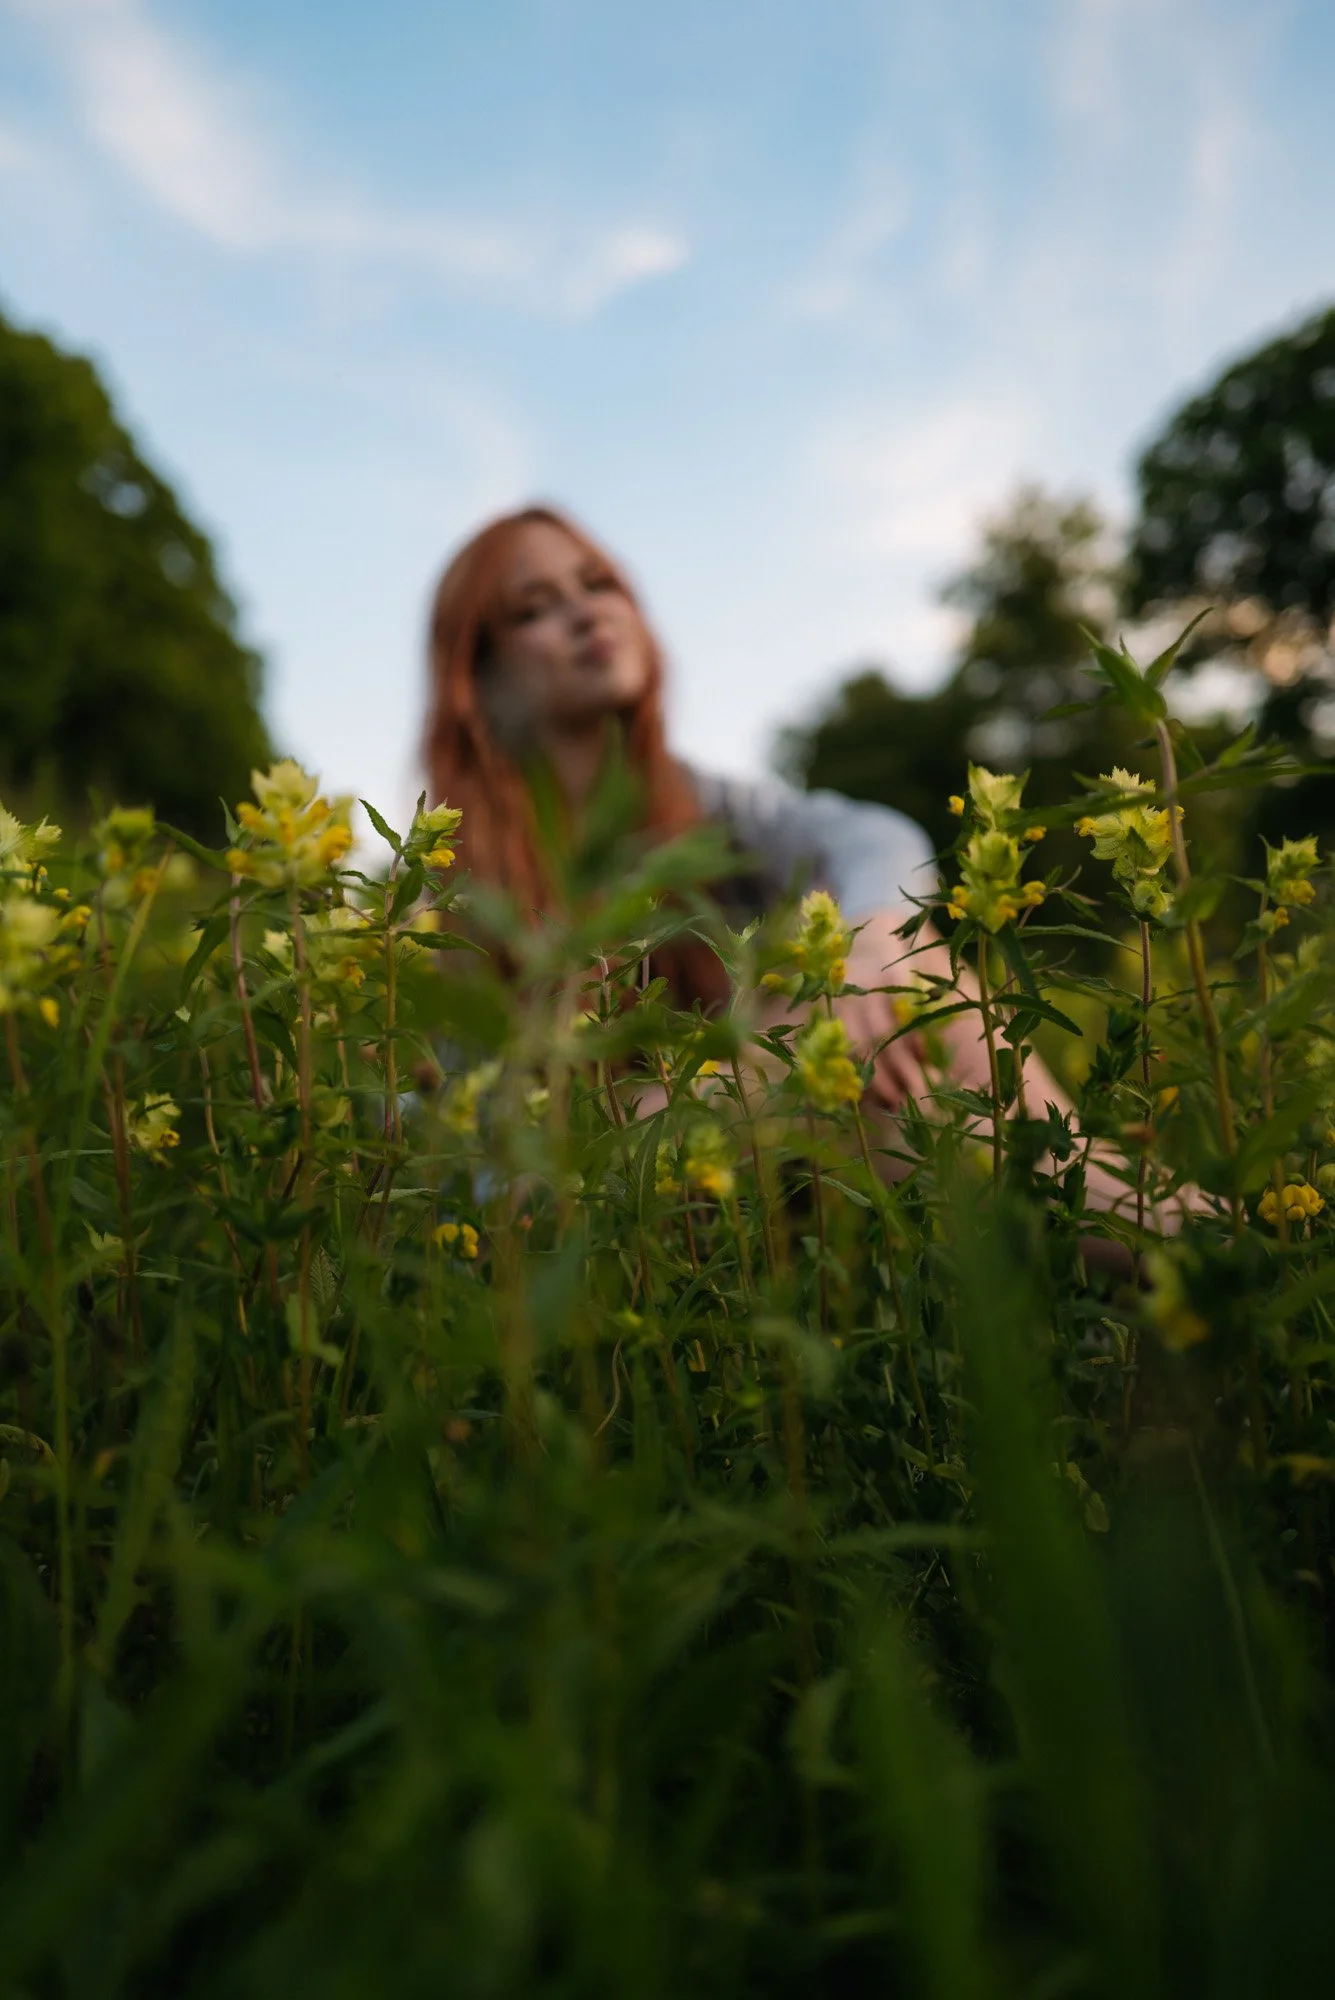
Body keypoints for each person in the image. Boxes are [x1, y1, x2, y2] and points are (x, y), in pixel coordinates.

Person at [421, 503, 1137, 1215]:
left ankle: (1157, 1244)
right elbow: (480, 1146)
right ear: (477, 675)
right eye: (534, 609)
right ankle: (1172, 1244)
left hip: (727, 1175)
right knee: (854, 1056)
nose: (586, 615)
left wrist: (870, 948)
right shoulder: (457, 868)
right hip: (567, 1195)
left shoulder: (694, 803)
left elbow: (869, 837)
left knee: (906, 999)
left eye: (598, 584)